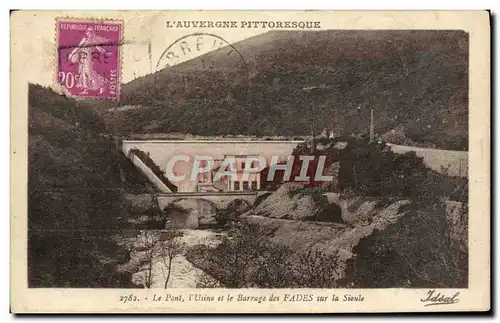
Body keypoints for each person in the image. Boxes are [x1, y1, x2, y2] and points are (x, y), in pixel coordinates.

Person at [68, 27, 109, 95]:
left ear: (92, 33)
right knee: (83, 73)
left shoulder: (94, 41)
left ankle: (102, 85)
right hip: (82, 58)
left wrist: (105, 52)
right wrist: (72, 53)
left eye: (89, 32)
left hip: (88, 58)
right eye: (87, 32)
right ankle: (85, 89)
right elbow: (78, 47)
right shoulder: (84, 40)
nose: (87, 33)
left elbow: (99, 49)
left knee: (89, 72)